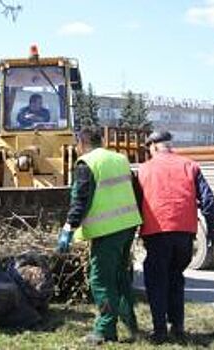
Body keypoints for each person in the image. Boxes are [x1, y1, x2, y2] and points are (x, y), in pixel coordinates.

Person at [56, 126, 142, 345]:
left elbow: (80, 199)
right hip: (128, 225)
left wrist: (68, 228)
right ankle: (130, 323)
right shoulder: (120, 159)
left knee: (100, 280)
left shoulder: (87, 163)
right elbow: (135, 190)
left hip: (107, 230)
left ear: (81, 144)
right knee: (120, 276)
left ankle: (105, 330)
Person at [137, 130, 214, 343]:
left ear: (153, 147)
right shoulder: (190, 165)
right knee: (175, 278)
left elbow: (135, 204)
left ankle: (160, 330)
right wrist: (213, 231)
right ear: (169, 145)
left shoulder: (143, 170)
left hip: (156, 232)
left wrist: (133, 232)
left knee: (156, 281)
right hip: (184, 234)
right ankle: (178, 327)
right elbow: (209, 201)